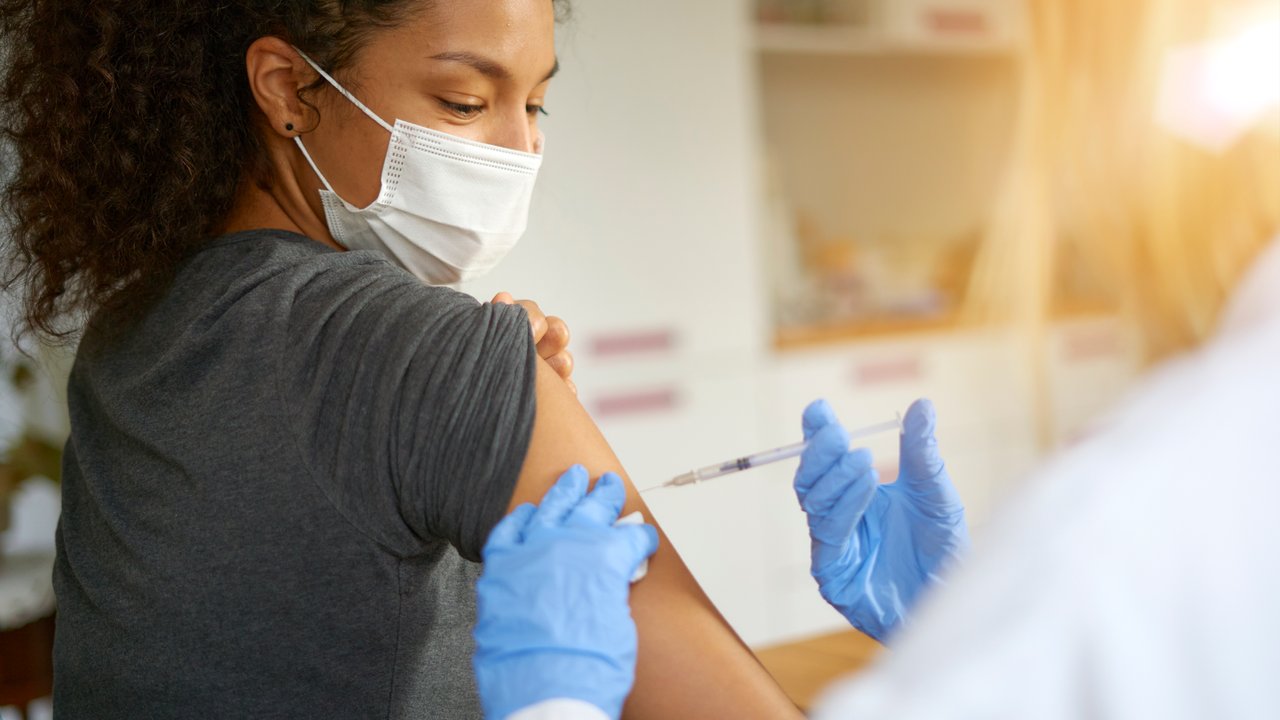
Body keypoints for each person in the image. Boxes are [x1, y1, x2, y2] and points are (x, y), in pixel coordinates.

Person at [467, 0, 1280, 717]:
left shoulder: (1137, 517)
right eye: (464, 102)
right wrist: (949, 619)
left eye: (539, 106)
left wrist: (555, 702)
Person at [0, 1, 814, 717]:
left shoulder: (127, 333)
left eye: (535, 104)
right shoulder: (425, 349)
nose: (519, 151)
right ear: (288, 88)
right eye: (465, 102)